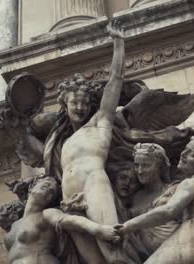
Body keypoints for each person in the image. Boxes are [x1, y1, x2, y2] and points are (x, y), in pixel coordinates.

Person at [59, 20, 135, 263]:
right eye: (74, 103)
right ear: (65, 104)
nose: (80, 107)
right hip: (70, 200)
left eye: (84, 103)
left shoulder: (100, 122)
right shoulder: (64, 141)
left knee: (114, 252)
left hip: (94, 185)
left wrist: (118, 42)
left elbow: (116, 79)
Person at [114, 135, 194, 264]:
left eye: (146, 165)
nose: (140, 171)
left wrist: (127, 226)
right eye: (137, 165)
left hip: (187, 245)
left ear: (159, 167)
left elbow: (169, 210)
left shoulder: (186, 185)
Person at [3, 177, 120, 264]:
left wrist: (98, 229)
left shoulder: (46, 214)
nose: (49, 190)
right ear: (31, 189)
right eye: (46, 185)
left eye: (52, 192)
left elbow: (71, 220)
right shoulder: (14, 225)